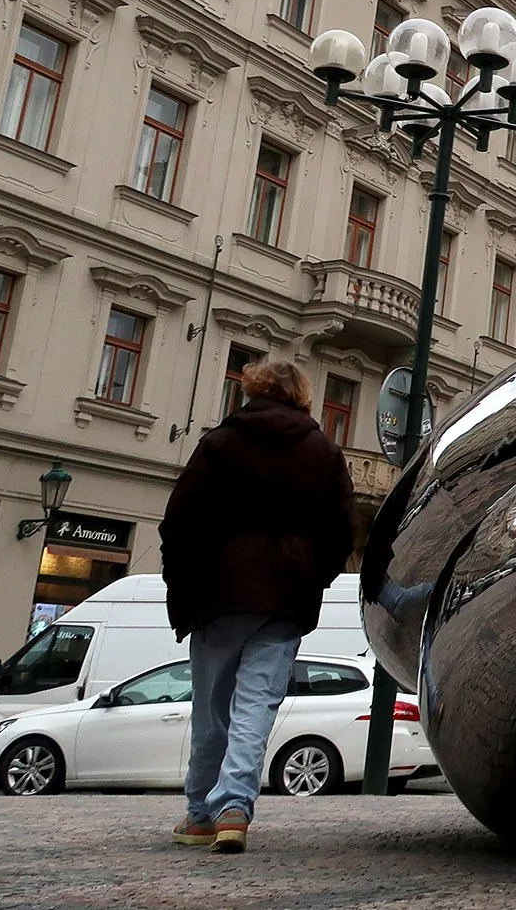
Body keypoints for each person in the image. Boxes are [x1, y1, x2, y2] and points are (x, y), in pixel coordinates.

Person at [160, 359, 354, 854]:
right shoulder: (323, 452)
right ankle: (234, 810)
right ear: (303, 396)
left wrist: (181, 580)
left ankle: (201, 813)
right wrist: (314, 576)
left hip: (219, 593)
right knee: (255, 708)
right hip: (286, 597)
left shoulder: (220, 443)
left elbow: (179, 520)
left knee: (211, 710)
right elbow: (341, 533)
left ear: (253, 391)